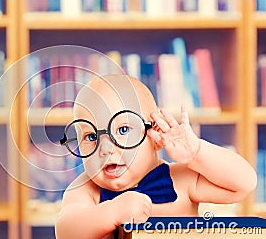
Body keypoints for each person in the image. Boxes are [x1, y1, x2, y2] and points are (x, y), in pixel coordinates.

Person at [54, 74, 257, 239]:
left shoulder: (181, 179)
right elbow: (66, 232)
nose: (105, 149)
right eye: (90, 136)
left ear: (156, 135)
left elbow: (243, 184)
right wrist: (112, 212)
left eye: (123, 130)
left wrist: (197, 152)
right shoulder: (86, 189)